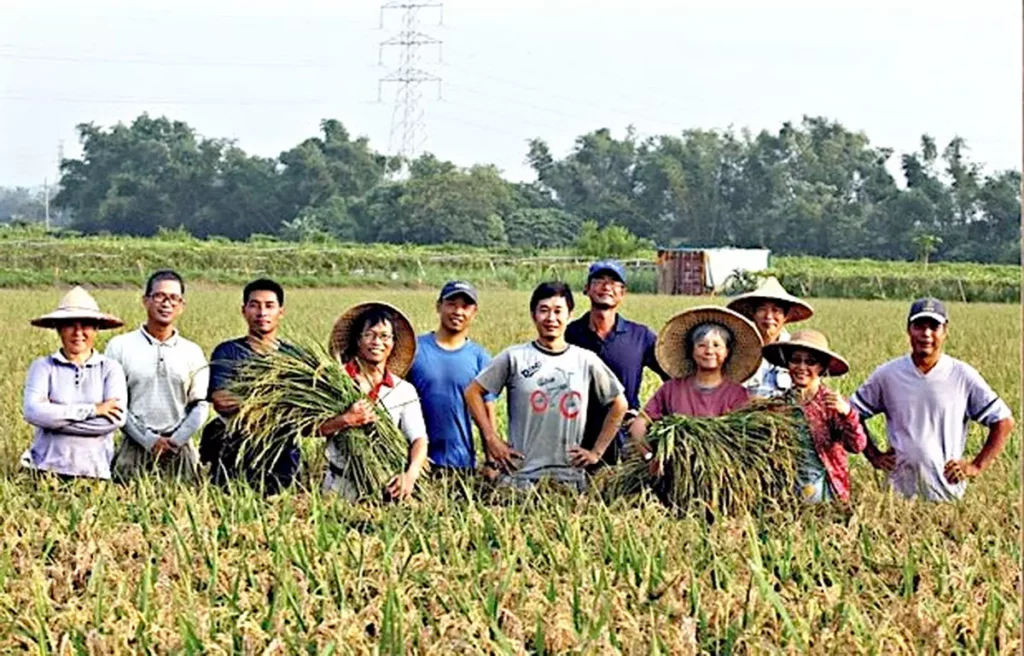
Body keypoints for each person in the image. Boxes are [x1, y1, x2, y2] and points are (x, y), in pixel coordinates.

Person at [464, 281, 628, 492]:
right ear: (533, 315)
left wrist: (596, 452)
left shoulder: (586, 360)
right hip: (520, 479)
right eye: (544, 310)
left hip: (570, 480)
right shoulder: (514, 357)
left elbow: (619, 404)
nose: (551, 318)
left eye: (558, 311)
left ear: (570, 316)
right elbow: (473, 392)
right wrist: (491, 438)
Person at [850, 298, 1014, 501]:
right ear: (909, 330)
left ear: (945, 331)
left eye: (934, 327)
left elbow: (1004, 421)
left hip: (947, 495)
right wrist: (874, 455)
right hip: (896, 498)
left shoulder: (962, 375)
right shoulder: (888, 374)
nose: (926, 334)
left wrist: (975, 466)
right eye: (919, 326)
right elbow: (851, 414)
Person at [318, 302, 428, 501]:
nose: (377, 342)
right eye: (369, 334)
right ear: (357, 340)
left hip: (386, 489)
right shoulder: (334, 381)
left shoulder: (403, 390)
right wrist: (345, 420)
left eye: (385, 336)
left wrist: (410, 476)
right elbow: (311, 429)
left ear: (393, 343)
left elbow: (419, 439)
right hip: (337, 488)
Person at [106, 270, 209, 482]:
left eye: (174, 298)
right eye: (159, 296)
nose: (166, 303)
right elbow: (116, 405)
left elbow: (200, 405)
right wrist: (149, 440)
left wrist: (176, 440)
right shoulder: (120, 346)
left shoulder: (192, 351)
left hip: (179, 450)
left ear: (181, 306)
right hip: (134, 447)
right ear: (146, 301)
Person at [201, 279, 300, 495]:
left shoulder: (295, 358)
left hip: (281, 452)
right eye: (254, 305)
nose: (262, 312)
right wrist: (276, 402)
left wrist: (247, 402)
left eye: (269, 306)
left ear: (280, 312)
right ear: (244, 311)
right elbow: (222, 401)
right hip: (234, 449)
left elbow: (301, 409)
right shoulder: (227, 352)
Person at [565, 260, 668, 468]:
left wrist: (650, 416)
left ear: (623, 293)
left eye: (614, 282)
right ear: (586, 289)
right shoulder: (569, 334)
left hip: (625, 435)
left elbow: (672, 380)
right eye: (599, 281)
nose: (606, 286)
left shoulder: (640, 336)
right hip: (577, 434)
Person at [21, 286, 128, 480]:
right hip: (45, 471)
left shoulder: (110, 369)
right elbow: (33, 411)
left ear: (96, 329)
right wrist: (93, 410)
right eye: (70, 324)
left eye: (86, 324)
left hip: (95, 474)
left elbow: (113, 420)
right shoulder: (43, 367)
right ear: (58, 329)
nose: (78, 332)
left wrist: (53, 420)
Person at [628, 306, 761, 453]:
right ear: (692, 351)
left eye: (717, 345)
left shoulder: (738, 395)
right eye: (701, 345)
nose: (709, 351)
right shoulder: (671, 389)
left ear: (727, 352)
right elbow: (640, 423)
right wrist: (648, 455)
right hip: (674, 467)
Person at [762, 329, 867, 503]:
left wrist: (848, 414)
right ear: (787, 364)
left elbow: (857, 445)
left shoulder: (832, 404)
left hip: (826, 497)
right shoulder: (779, 405)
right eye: (795, 360)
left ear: (822, 367)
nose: (802, 367)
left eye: (810, 362)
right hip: (786, 499)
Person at [405, 281, 497, 474]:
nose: (458, 311)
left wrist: (491, 462)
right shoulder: (414, 350)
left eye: (465, 306)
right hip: (414, 462)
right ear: (439, 306)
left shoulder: (480, 357)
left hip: (460, 463)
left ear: (474, 312)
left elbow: (487, 414)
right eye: (451, 304)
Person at [727, 276, 814, 398]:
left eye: (776, 310)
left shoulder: (795, 350)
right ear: (753, 314)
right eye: (762, 309)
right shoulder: (738, 350)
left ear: (786, 316)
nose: (768, 316)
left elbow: (810, 391)